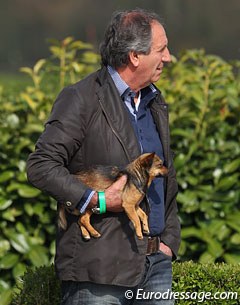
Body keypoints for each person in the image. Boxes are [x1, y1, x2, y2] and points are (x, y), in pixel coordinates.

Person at [27, 8, 181, 305]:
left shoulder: (155, 101)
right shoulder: (80, 98)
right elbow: (40, 165)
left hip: (156, 264)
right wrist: (95, 200)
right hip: (99, 273)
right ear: (135, 56)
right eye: (161, 50)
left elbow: (166, 175)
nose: (168, 58)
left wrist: (168, 242)